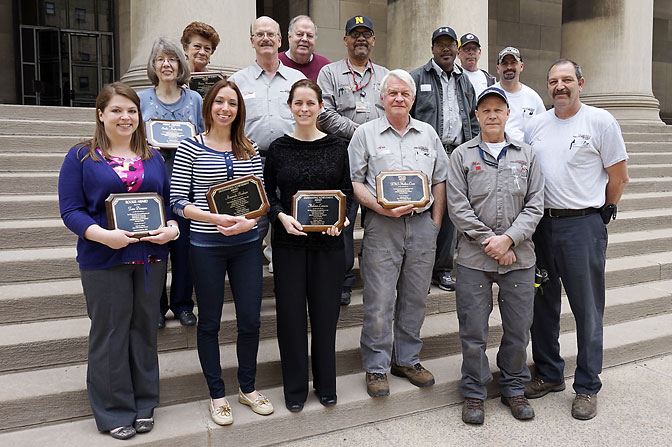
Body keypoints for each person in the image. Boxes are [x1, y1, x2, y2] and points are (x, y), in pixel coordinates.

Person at [58, 82, 179, 440]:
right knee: (110, 332)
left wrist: (171, 229)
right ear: (101, 114)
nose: (125, 117)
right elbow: (71, 211)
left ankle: (144, 404)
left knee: (144, 329)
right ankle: (113, 410)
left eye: (131, 110)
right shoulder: (81, 156)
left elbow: (168, 204)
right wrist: (102, 235)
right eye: (116, 110)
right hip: (103, 258)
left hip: (151, 257)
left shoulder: (153, 156)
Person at [524, 59, 629, 421]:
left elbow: (619, 176)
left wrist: (605, 211)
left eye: (567, 79)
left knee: (586, 309)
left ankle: (586, 385)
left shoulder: (600, 122)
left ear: (580, 83)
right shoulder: (536, 125)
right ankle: (550, 373)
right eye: (553, 81)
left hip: (582, 227)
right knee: (542, 304)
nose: (560, 86)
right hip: (541, 227)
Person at [170, 78, 274, 425]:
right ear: (208, 107)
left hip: (245, 246)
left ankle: (247, 387)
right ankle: (217, 394)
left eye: (232, 103)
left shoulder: (250, 147)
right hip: (205, 245)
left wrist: (249, 223)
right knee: (210, 322)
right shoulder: (190, 146)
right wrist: (212, 217)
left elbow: (258, 199)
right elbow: (178, 202)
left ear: (239, 109)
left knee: (250, 320)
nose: (225, 108)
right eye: (219, 102)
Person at [446, 86, 544, 425]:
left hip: (519, 259)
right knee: (473, 331)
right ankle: (474, 392)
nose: (491, 115)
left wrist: (510, 241)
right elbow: (457, 206)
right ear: (477, 116)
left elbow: (535, 205)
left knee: (518, 330)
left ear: (507, 114)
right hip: (474, 259)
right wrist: (493, 242)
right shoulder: (461, 156)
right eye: (485, 110)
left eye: (497, 110)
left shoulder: (527, 155)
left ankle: (513, 387)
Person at [348, 69, 449, 398]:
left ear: (413, 98)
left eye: (405, 93)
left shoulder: (428, 134)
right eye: (392, 93)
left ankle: (407, 359)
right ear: (382, 97)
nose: (399, 98)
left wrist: (434, 223)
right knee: (379, 300)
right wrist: (380, 208)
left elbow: (439, 181)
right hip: (383, 225)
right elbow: (355, 182)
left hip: (421, 226)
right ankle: (376, 366)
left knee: (416, 298)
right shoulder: (364, 134)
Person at [264, 79, 353, 412]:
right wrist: (280, 217)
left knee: (325, 316)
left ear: (319, 107)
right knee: (290, 318)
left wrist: (342, 220)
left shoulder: (336, 147)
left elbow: (345, 192)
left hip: (328, 246)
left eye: (310, 103)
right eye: (298, 103)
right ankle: (295, 388)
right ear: (290, 107)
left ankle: (326, 384)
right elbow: (268, 194)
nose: (304, 109)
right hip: (289, 243)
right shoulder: (278, 148)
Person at [317, 15, 389, 306]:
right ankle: (343, 279)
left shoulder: (385, 75)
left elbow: (394, 108)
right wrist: (360, 132)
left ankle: (376, 273)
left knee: (379, 218)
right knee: (343, 218)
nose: (361, 39)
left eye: (366, 34)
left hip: (378, 161)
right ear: (345, 40)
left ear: (373, 40)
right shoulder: (329, 73)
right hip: (341, 158)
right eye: (355, 34)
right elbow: (324, 114)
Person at [230, 16, 306, 272]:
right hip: (251, 160)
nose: (265, 38)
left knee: (287, 215)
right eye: (259, 34)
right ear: (252, 41)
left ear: (280, 40)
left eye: (270, 34)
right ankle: (248, 270)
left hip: (290, 160)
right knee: (254, 220)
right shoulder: (238, 82)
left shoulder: (297, 80)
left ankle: (283, 270)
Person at [138, 37, 204, 328]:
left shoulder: (195, 100)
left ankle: (181, 304)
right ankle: (156, 307)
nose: (166, 64)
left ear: (181, 65)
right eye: (161, 59)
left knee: (184, 249)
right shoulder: (140, 99)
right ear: (153, 66)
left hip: (186, 183)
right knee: (154, 247)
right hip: (152, 183)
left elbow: (202, 139)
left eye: (172, 59)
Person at [410, 26, 479, 293]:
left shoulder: (465, 81)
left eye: (450, 44)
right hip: (425, 155)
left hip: (457, 154)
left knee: (449, 216)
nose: (446, 49)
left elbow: (473, 120)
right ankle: (420, 270)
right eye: (440, 44)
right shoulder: (418, 76)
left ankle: (442, 269)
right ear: (432, 49)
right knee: (423, 211)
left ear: (456, 49)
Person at [493, 47, 545, 143]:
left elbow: (543, 130)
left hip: (524, 154)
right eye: (504, 63)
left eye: (513, 62)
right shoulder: (489, 95)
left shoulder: (533, 97)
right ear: (497, 68)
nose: (509, 67)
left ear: (521, 66)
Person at [278, 15, 330, 81]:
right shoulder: (276, 62)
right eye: (299, 34)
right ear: (289, 37)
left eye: (309, 36)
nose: (304, 39)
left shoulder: (324, 67)